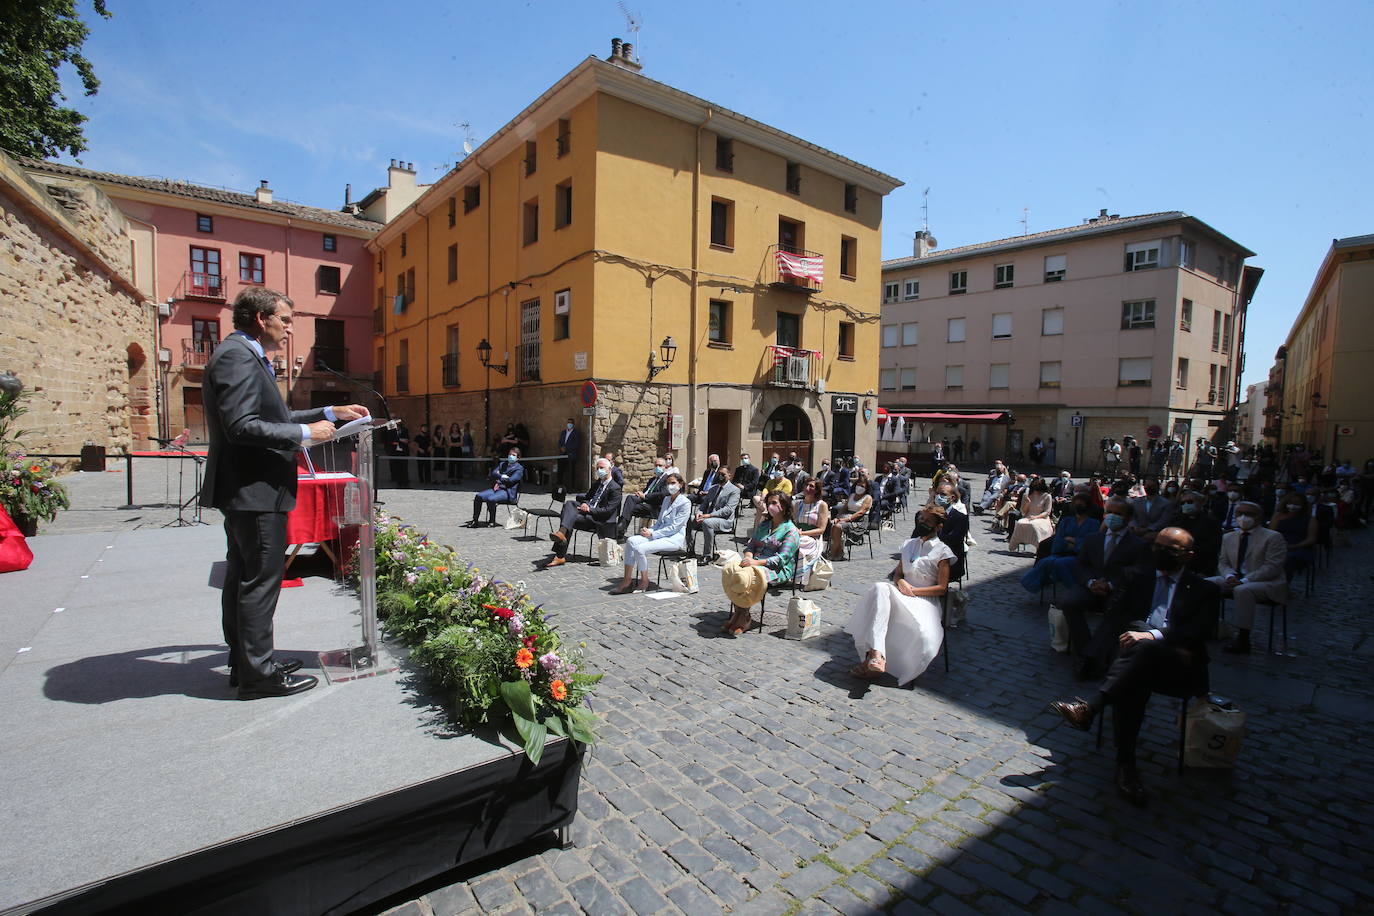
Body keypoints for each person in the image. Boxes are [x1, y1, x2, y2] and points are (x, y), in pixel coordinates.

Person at [199, 287, 368, 699]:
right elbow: (242, 426)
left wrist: (329, 413)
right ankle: (258, 676)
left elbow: (273, 416)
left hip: (249, 488)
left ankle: (249, 663)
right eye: (286, 320)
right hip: (255, 489)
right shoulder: (238, 357)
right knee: (260, 582)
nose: (290, 328)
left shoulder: (242, 353)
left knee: (244, 577)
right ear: (261, 318)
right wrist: (306, 434)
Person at [1047, 527, 1220, 806]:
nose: (1161, 553)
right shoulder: (1138, 578)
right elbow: (1116, 617)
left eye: (1170, 550)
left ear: (1188, 555)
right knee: (1135, 672)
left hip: (1178, 665)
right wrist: (1144, 635)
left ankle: (1091, 709)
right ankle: (1125, 764)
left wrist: (1153, 635)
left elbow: (1200, 631)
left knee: (1141, 649)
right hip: (1136, 660)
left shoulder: (1205, 589)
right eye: (1157, 547)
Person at [846, 505, 953, 683]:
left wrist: (914, 591)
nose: (922, 523)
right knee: (880, 588)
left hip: (925, 599)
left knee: (924, 633)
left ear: (937, 526)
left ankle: (874, 660)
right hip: (903, 593)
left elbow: (942, 587)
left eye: (927, 521)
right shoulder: (909, 545)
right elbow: (898, 573)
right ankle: (876, 655)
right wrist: (901, 581)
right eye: (921, 520)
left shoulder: (942, 552)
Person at [1058, 498, 1151, 679]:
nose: (1112, 517)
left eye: (1118, 514)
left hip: (1118, 592)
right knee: (1069, 602)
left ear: (1129, 517)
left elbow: (1137, 573)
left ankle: (1089, 658)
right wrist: (1091, 582)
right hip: (1091, 588)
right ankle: (1086, 651)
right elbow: (1081, 566)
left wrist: (1110, 584)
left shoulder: (1138, 545)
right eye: (1109, 513)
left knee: (1117, 612)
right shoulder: (1093, 539)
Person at [1206, 501, 1287, 654]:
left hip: (1265, 582)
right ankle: (1209, 626)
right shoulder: (1229, 537)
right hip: (1234, 578)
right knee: (1205, 584)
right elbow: (1222, 562)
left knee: (1243, 591)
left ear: (1259, 517)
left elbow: (1272, 567)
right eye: (1240, 514)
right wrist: (1229, 576)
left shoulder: (1273, 537)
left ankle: (1243, 638)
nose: (1244, 518)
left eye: (1249, 514)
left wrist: (1244, 580)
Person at [721, 490, 800, 634]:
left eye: (774, 503)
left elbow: (781, 559)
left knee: (750, 577)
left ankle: (744, 616)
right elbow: (751, 545)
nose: (770, 506)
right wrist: (748, 558)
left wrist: (755, 563)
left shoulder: (791, 531)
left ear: (784, 506)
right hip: (755, 562)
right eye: (768, 503)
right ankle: (739, 612)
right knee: (733, 570)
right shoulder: (764, 525)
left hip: (778, 569)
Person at [612, 473, 691, 595]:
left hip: (673, 538)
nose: (670, 486)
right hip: (660, 534)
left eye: (673, 483)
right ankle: (627, 580)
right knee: (631, 541)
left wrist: (653, 535)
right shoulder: (666, 499)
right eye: (668, 483)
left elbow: (674, 527)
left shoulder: (685, 502)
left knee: (640, 549)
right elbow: (659, 522)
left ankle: (645, 581)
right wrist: (650, 530)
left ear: (680, 484)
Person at [544, 457, 622, 567]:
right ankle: (561, 533)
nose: (599, 470)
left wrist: (590, 509)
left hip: (599, 519)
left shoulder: (615, 488)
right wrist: (585, 503)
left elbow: (608, 511)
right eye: (597, 468)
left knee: (570, 518)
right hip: (588, 512)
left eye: (602, 468)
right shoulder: (597, 483)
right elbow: (587, 497)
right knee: (570, 504)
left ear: (609, 469)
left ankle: (560, 555)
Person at [1022, 492, 1099, 593]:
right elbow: (1059, 539)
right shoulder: (1067, 521)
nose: (1078, 507)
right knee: (1046, 562)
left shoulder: (1093, 523)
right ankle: (1035, 584)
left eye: (1081, 504)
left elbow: (1090, 542)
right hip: (1062, 552)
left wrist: (1074, 541)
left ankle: (1074, 590)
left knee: (1060, 564)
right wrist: (1069, 543)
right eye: (1076, 504)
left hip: (1080, 556)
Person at [686, 465, 739, 559]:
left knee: (707, 523)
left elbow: (728, 510)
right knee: (689, 519)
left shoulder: (734, 490)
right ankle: (690, 550)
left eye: (723, 474)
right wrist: (699, 512)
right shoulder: (713, 488)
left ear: (729, 476)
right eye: (719, 474)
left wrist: (709, 515)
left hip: (724, 521)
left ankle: (707, 555)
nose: (720, 476)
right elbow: (704, 503)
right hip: (708, 517)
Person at [468, 447, 524, 527]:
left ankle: (492, 521)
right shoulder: (503, 464)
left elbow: (511, 480)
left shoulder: (519, 468)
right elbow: (493, 473)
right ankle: (475, 520)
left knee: (491, 499)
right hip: (496, 488)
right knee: (478, 496)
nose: (511, 456)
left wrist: (500, 477)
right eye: (510, 454)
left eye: (513, 455)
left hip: (507, 491)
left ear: (518, 458)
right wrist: (503, 476)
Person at [1268, 492, 1318, 580]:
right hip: (1278, 545)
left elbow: (1311, 539)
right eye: (1290, 503)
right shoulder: (1278, 516)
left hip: (1300, 547)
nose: (1293, 506)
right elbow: (1271, 533)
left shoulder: (1310, 519)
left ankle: (1284, 584)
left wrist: (1294, 546)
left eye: (1297, 504)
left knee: (1288, 559)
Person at [618, 456, 671, 538]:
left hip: (655, 506)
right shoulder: (652, 479)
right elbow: (646, 491)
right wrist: (640, 494)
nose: (657, 467)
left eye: (660, 466)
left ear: (665, 467)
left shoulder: (667, 479)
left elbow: (663, 494)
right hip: (645, 501)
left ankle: (620, 529)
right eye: (656, 465)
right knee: (630, 498)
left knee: (630, 508)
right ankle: (621, 527)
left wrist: (645, 496)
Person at [791, 476, 830, 585]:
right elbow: (793, 523)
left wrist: (802, 533)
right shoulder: (798, 504)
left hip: (813, 538)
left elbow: (821, 529)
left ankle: (798, 577)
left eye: (811, 486)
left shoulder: (821, 505)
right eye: (806, 485)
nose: (808, 488)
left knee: (798, 543)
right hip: (798, 534)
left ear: (817, 489)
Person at [929, 480, 968, 581]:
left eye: (943, 494)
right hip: (927, 557)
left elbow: (953, 541)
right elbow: (916, 536)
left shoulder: (960, 518)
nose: (938, 496)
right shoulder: (928, 514)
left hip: (949, 561)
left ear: (952, 497)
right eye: (937, 493)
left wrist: (932, 537)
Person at [829, 475, 873, 559]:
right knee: (832, 524)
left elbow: (860, 512)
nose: (859, 487)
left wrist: (846, 519)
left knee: (838, 526)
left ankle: (834, 552)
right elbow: (844, 508)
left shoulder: (868, 498)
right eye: (858, 485)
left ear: (866, 488)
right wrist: (837, 517)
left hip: (859, 521)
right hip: (846, 517)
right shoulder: (852, 495)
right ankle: (838, 551)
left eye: (862, 486)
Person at [1009, 478, 1054, 553]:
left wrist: (1036, 517)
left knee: (1035, 526)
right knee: (1020, 523)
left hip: (1042, 518)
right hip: (1028, 516)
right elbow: (1023, 512)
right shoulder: (1026, 495)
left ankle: (1039, 547)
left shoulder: (1047, 496)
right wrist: (1027, 503)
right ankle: (1015, 544)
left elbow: (1047, 511)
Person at [752, 464, 794, 529]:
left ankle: (757, 530)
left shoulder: (787, 482)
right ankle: (765, 510)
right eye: (777, 470)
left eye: (780, 470)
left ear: (784, 473)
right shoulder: (770, 481)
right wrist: (763, 497)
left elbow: (785, 494)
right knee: (756, 498)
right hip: (768, 500)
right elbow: (765, 489)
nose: (778, 472)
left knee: (759, 510)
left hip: (779, 502)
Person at [386, 419, 411, 487]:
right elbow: (391, 441)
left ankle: (406, 483)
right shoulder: (391, 431)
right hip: (394, 452)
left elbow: (407, 440)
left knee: (404, 468)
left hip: (403, 452)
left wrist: (399, 440)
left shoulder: (405, 430)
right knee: (397, 468)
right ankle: (398, 483)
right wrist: (400, 440)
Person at [557, 418, 580, 491]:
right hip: (562, 455)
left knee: (570, 472)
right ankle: (559, 486)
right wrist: (561, 448)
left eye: (571, 423)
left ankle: (570, 488)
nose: (569, 424)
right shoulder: (563, 432)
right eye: (568, 423)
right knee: (560, 471)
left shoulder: (576, 433)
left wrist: (566, 448)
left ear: (573, 424)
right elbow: (560, 441)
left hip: (571, 455)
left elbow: (576, 444)